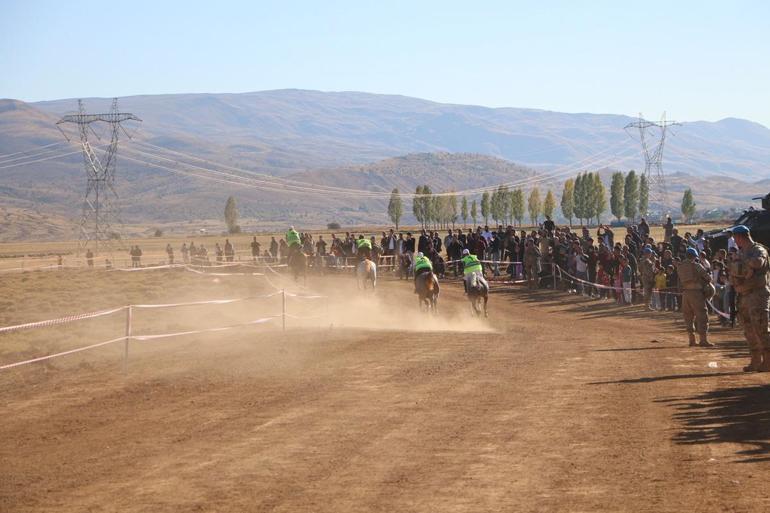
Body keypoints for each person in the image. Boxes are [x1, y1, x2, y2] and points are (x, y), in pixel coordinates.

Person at [729, 225, 770, 371]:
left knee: (761, 327)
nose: (735, 241)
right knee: (748, 330)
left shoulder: (758, 250)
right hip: (744, 295)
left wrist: (744, 262)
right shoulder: (741, 252)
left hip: (757, 294)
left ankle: (768, 361)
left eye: (735, 238)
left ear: (740, 237)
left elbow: (758, 262)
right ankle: (755, 360)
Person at [676, 247, 713, 347]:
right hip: (696, 292)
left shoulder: (680, 266)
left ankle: (691, 340)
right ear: (694, 256)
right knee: (702, 315)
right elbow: (708, 278)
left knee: (688, 316)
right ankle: (703, 340)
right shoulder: (696, 265)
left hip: (685, 293)